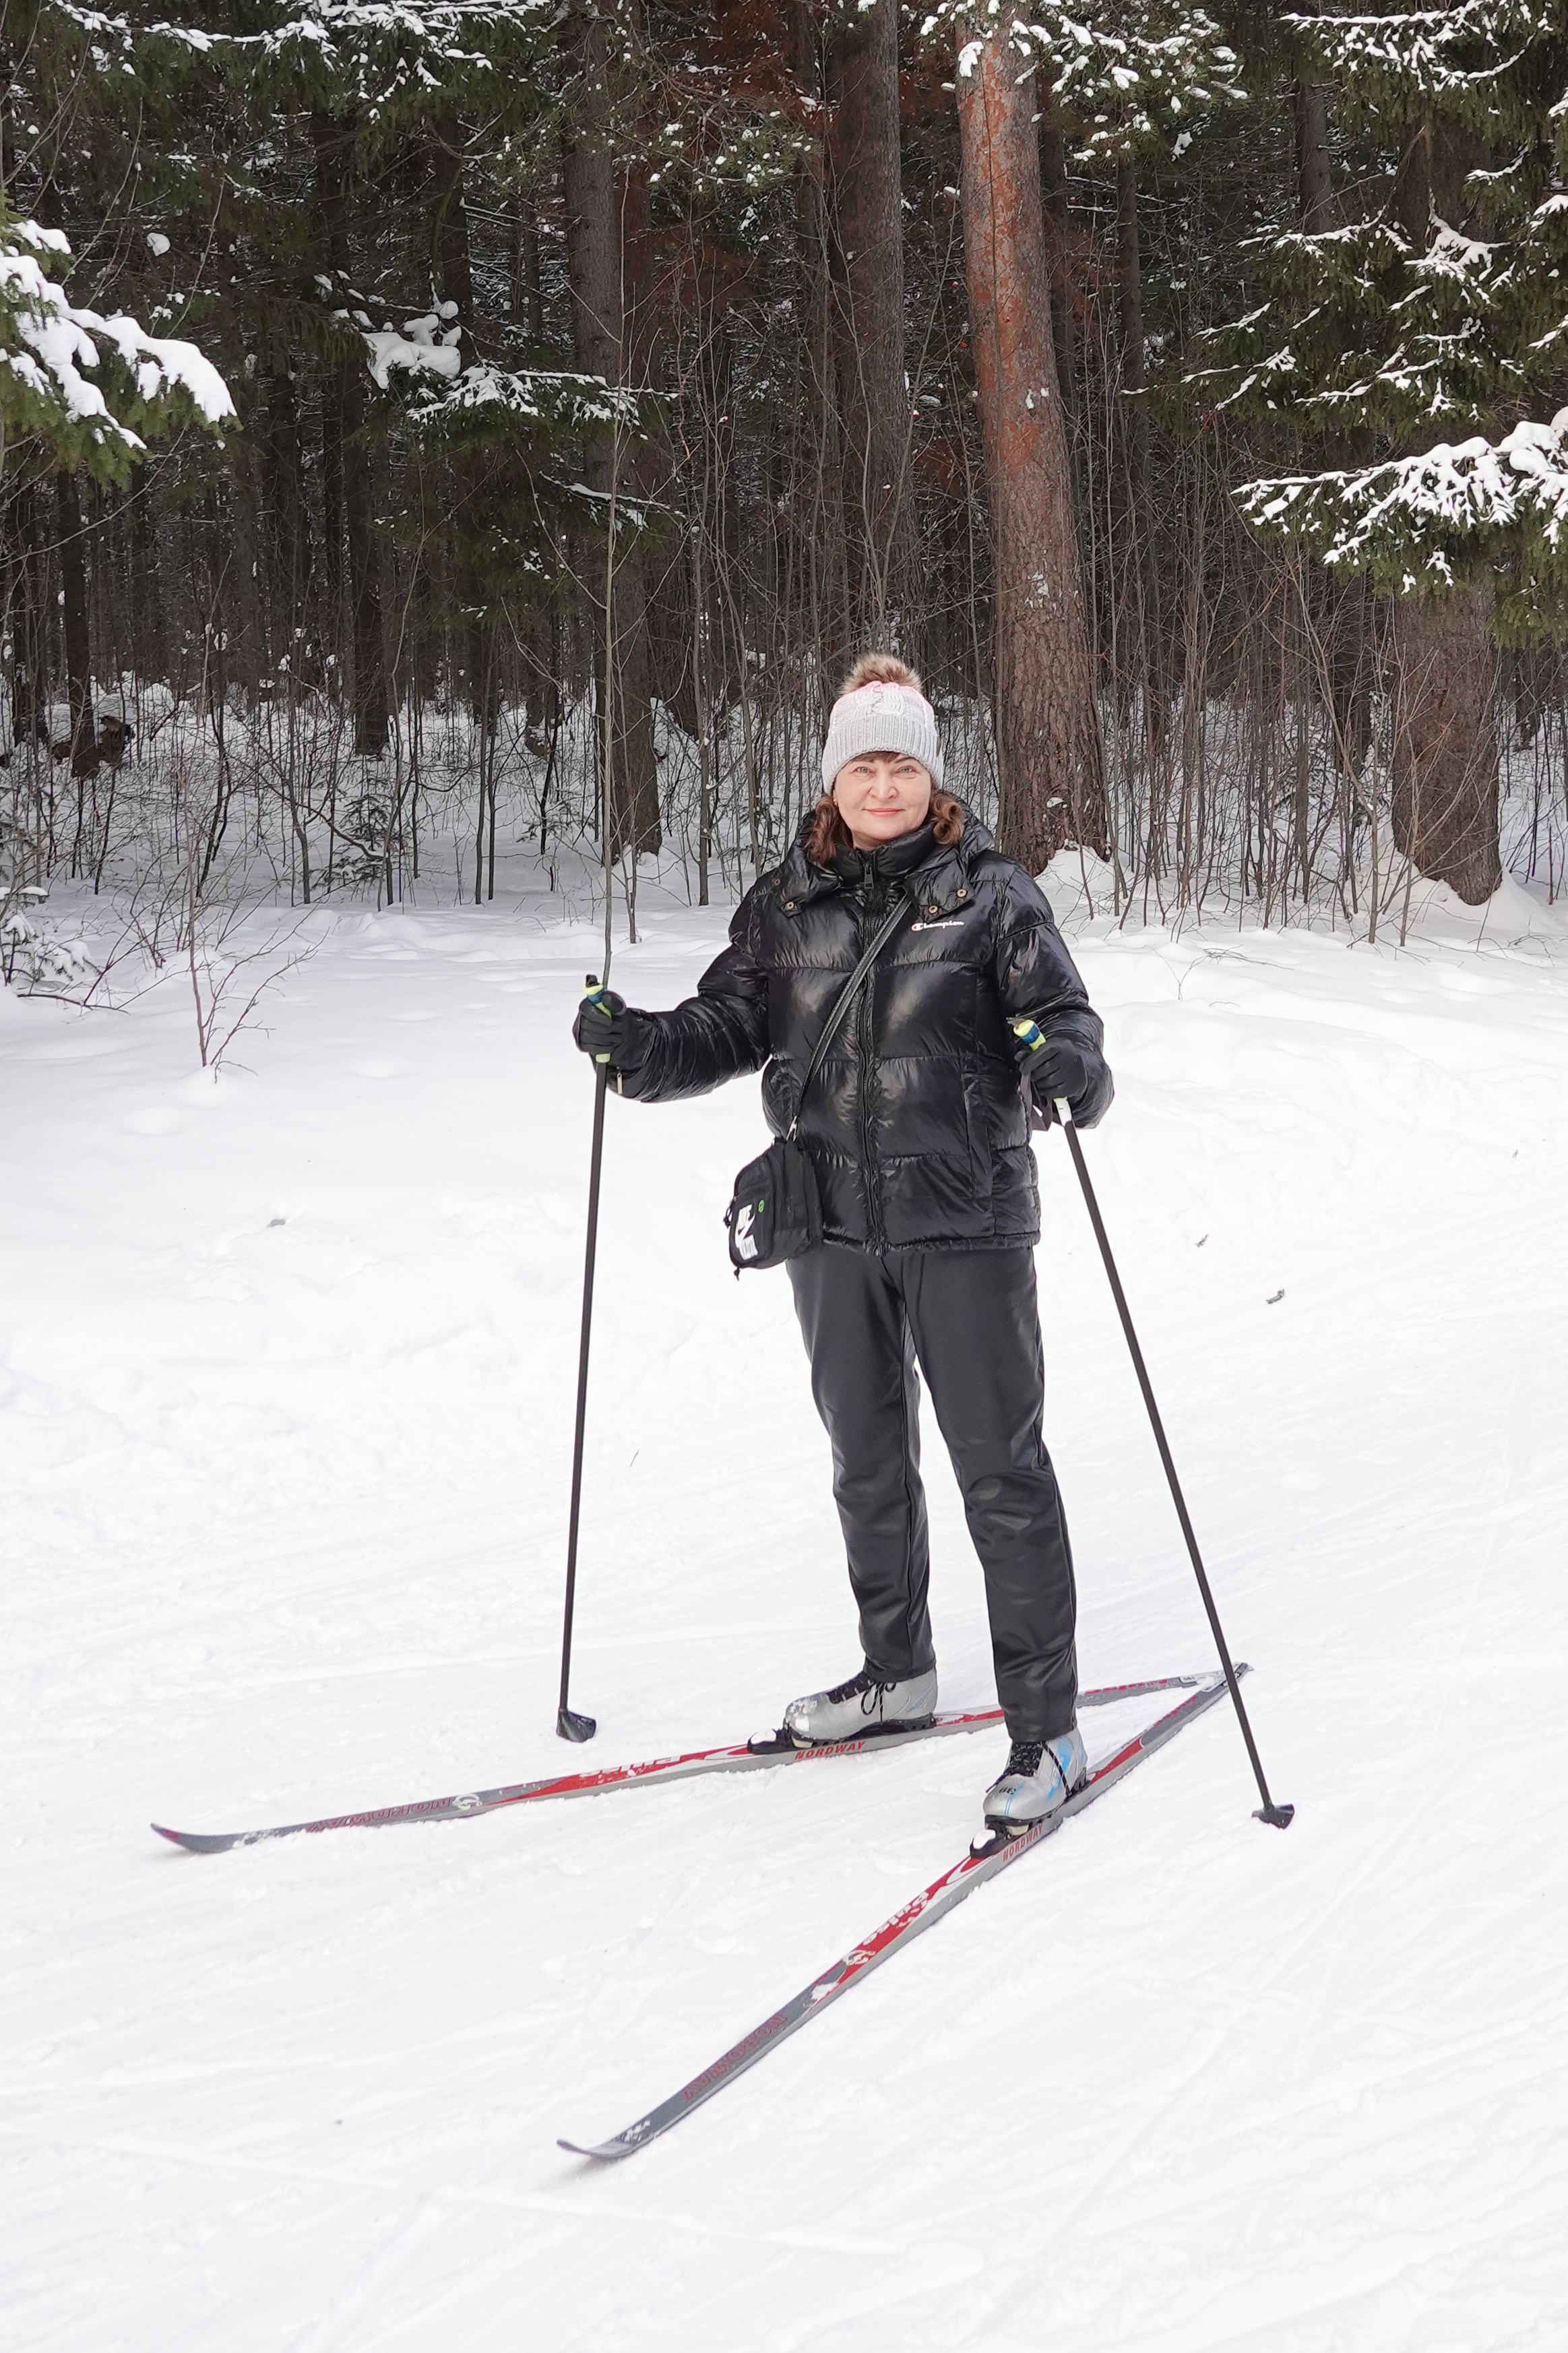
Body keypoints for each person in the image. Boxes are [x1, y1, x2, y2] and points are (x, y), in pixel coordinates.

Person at [573, 654, 1113, 1832]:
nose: (883, 784)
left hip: (964, 1217)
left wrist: (1068, 1064)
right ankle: (898, 1674)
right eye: (864, 763)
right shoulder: (786, 901)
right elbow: (727, 1023)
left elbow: (1063, 1019)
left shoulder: (992, 893)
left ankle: (1048, 1731)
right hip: (828, 1224)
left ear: (931, 776)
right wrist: (639, 1049)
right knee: (867, 1466)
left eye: (902, 764)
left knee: (1000, 1475)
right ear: (834, 778)